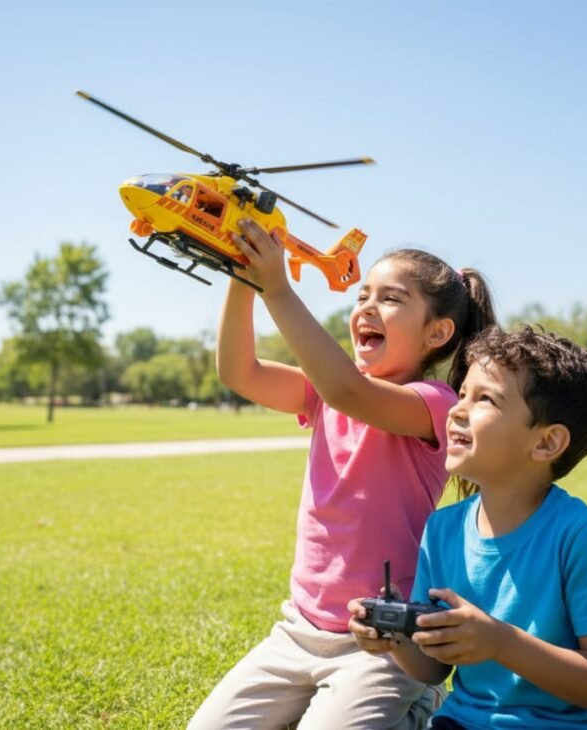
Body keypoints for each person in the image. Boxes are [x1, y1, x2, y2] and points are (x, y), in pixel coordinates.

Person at [187, 218, 496, 730]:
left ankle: (418, 704)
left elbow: (349, 391)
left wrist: (278, 289)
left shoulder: (435, 403)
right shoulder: (324, 390)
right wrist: (242, 278)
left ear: (437, 333)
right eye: (361, 296)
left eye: (391, 299)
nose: (367, 308)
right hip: (298, 632)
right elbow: (239, 372)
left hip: (381, 641)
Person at [348, 326, 587, 729]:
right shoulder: (443, 529)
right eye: (462, 394)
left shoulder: (582, 537)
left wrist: (500, 642)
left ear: (546, 443)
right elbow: (433, 669)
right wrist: (394, 634)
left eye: (485, 399)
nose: (457, 410)